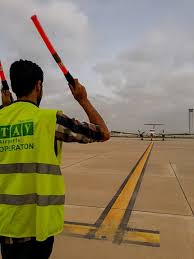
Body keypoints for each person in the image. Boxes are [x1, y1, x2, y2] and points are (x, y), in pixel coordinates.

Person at [0, 59, 110, 259]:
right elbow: (102, 133)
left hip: (4, 228)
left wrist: (5, 109)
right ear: (38, 85)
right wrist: (82, 99)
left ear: (13, 88)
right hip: (36, 230)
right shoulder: (50, 120)